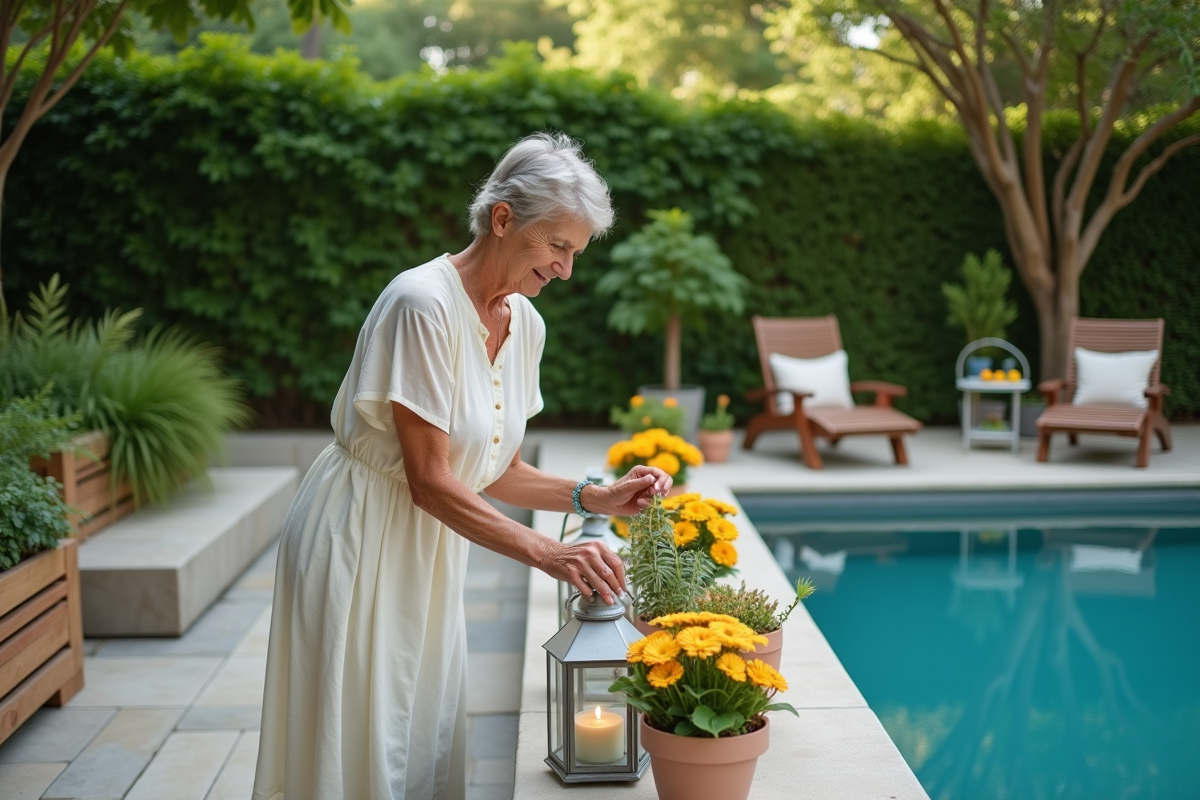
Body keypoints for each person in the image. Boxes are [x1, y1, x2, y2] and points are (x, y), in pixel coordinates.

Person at [252, 132, 672, 800]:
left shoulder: (525, 323)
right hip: (359, 538)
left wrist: (598, 497)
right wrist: (549, 553)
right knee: (355, 741)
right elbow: (429, 478)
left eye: (576, 253)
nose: (567, 269)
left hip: (430, 548)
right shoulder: (419, 303)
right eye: (558, 247)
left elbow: (489, 467)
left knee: (417, 733)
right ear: (503, 219)